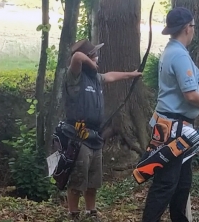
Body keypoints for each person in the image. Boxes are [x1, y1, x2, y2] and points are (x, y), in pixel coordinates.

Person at [141, 7, 199, 222]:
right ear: (186, 28)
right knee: (165, 183)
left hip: (174, 126)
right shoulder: (178, 55)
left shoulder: (176, 51)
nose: (194, 30)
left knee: (182, 183)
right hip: (172, 128)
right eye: (193, 26)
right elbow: (192, 95)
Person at [64, 39, 142, 221]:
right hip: (78, 135)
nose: (97, 58)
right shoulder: (75, 76)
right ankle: (73, 214)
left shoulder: (96, 78)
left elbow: (111, 76)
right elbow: (76, 55)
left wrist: (131, 75)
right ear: (89, 57)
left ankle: (91, 212)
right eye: (94, 55)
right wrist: (90, 62)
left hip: (94, 136)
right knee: (77, 178)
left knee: (93, 180)